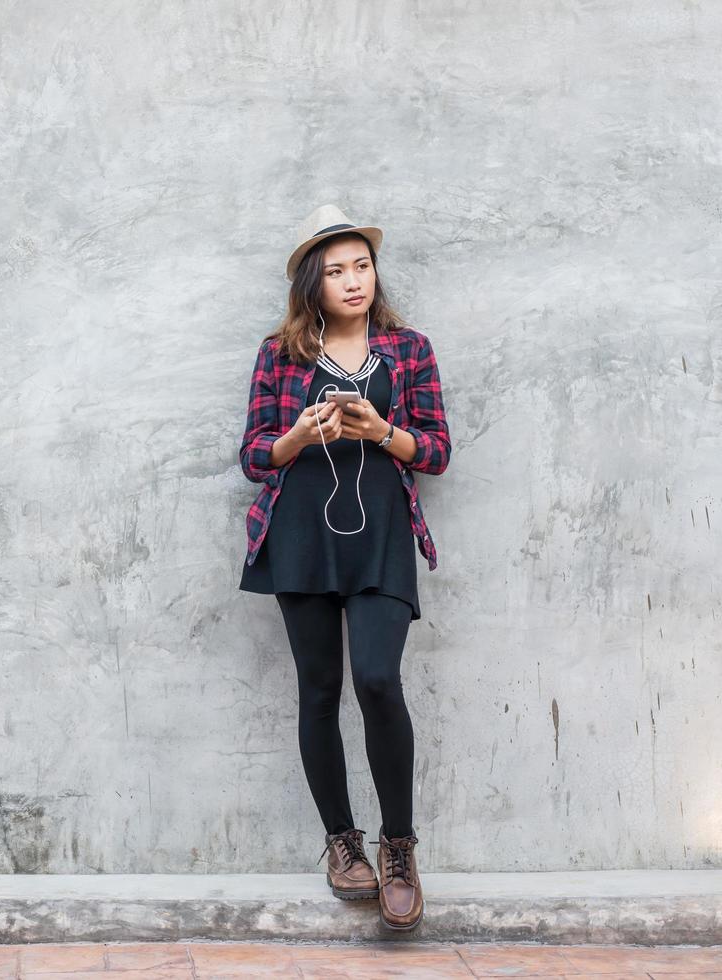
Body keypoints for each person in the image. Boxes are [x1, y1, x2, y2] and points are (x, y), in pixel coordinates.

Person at [237, 203, 451, 931]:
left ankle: (398, 845)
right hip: (298, 534)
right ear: (312, 283)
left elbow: (438, 451)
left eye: (361, 265)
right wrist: (296, 433)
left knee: (377, 679)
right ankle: (341, 843)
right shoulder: (279, 354)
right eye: (336, 270)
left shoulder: (409, 349)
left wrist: (383, 430)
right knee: (320, 688)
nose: (353, 280)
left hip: (382, 537)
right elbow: (251, 455)